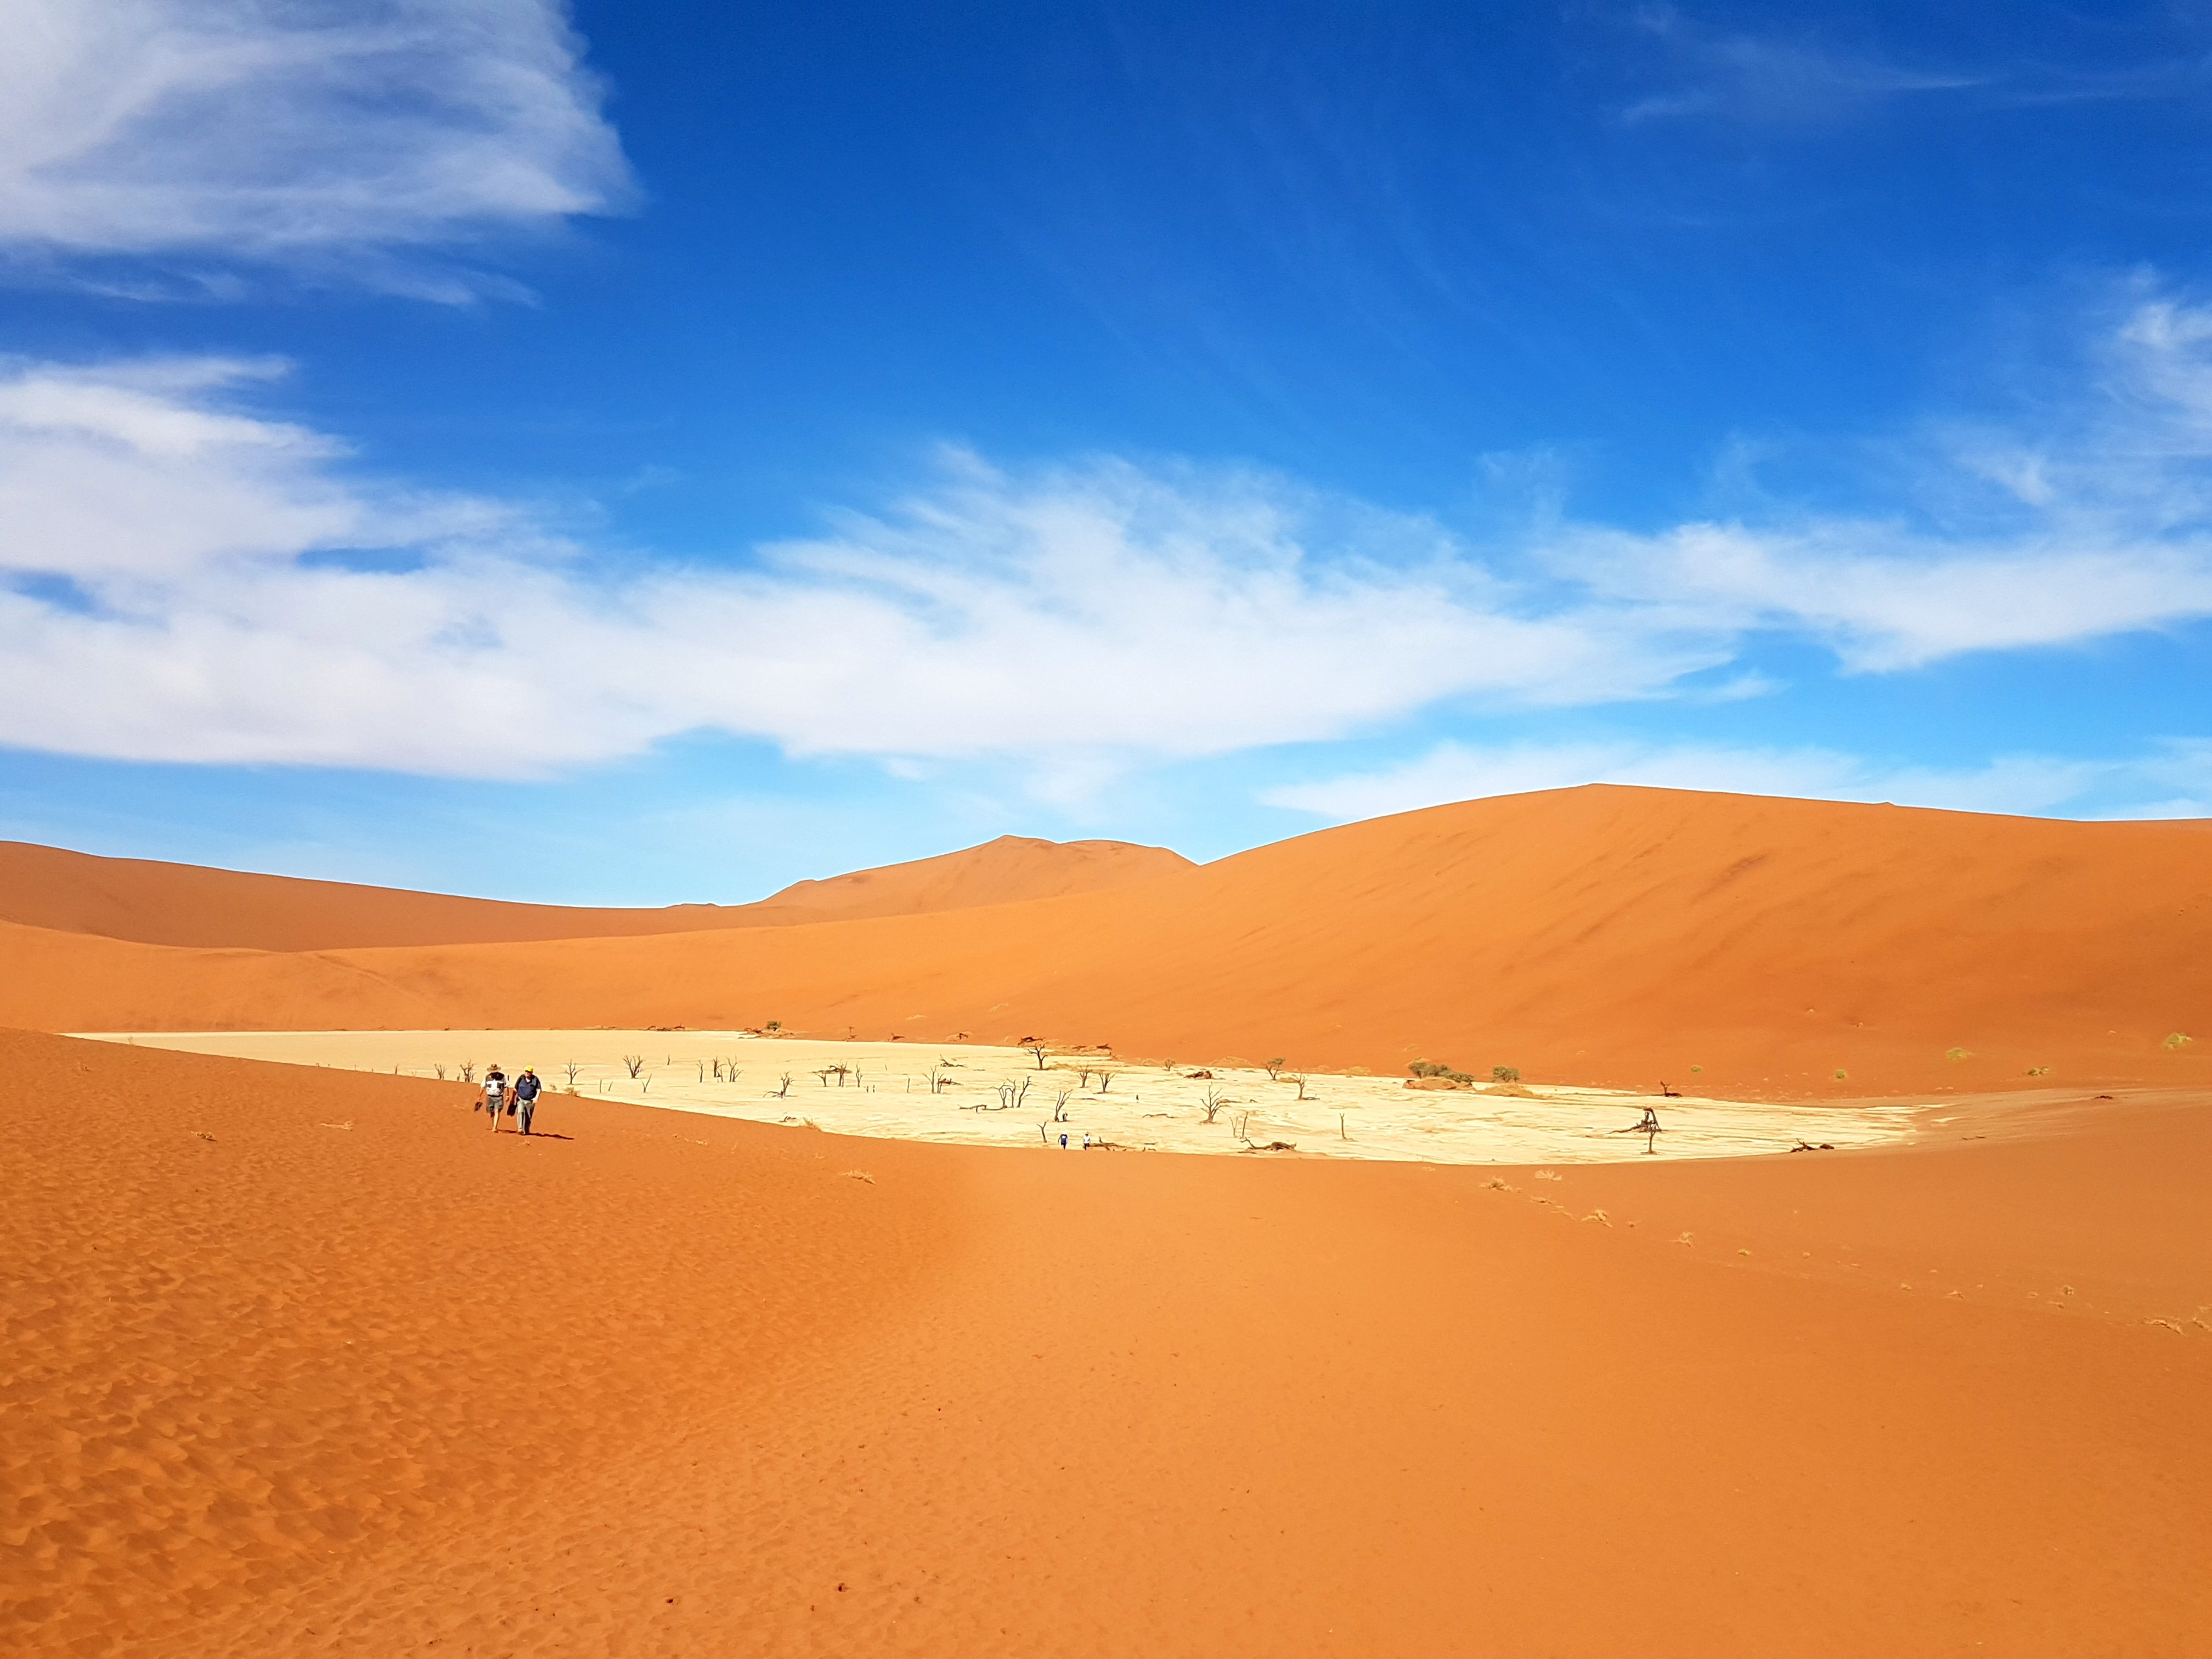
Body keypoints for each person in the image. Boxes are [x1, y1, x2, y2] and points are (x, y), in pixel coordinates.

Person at [514, 1066, 542, 1135]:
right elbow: (515, 1089)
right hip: (521, 1099)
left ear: (531, 1073)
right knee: (520, 1112)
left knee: (528, 1116)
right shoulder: (521, 1078)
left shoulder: (535, 1079)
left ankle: (526, 1130)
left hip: (530, 1101)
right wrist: (512, 1099)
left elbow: (539, 1089)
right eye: (526, 1071)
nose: (527, 1073)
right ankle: (520, 1128)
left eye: (529, 1072)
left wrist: (536, 1098)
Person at [482, 1063, 508, 1131]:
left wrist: (507, 1095)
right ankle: (493, 1125)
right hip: (490, 1097)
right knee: (491, 1112)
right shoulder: (487, 1077)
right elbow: (483, 1086)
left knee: (497, 1111)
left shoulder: (502, 1077)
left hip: (499, 1097)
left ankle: (495, 1127)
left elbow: (506, 1087)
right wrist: (479, 1096)